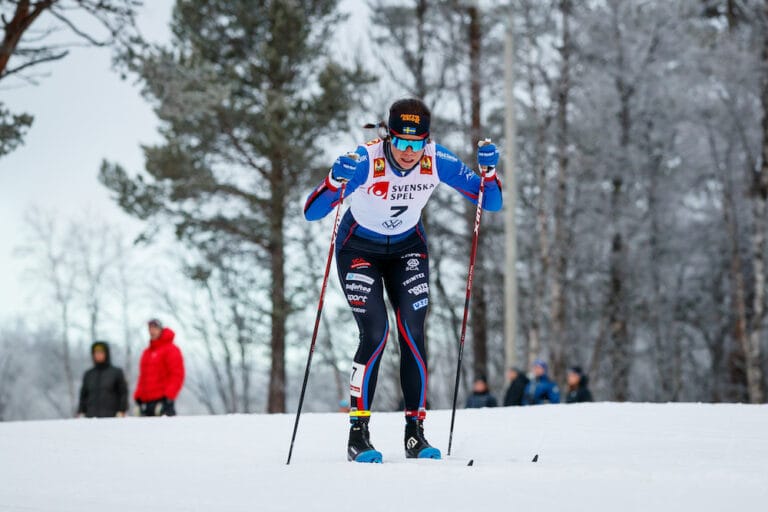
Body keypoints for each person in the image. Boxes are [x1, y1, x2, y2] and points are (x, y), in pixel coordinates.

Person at [304, 98, 503, 463]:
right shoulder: (366, 161)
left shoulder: (435, 159)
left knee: (412, 330)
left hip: (408, 247)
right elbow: (312, 211)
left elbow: (488, 203)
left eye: (417, 143)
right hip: (358, 248)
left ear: (426, 141)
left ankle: (416, 433)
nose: (409, 152)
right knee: (376, 331)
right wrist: (334, 181)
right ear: (388, 137)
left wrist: (490, 174)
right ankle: (358, 435)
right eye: (401, 142)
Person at [134, 319, 185, 416]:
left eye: (155, 328)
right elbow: (142, 377)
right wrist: (138, 397)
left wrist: (168, 397)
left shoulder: (171, 349)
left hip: (163, 403)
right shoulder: (147, 353)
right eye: (150, 328)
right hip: (146, 403)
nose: (152, 331)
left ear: (161, 329)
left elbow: (177, 375)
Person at [77, 341, 128, 418]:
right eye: (96, 353)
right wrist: (81, 411)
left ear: (106, 354)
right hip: (91, 417)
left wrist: (122, 410)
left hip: (112, 417)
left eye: (101, 352)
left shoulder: (116, 372)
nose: (98, 355)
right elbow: (83, 395)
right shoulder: (89, 374)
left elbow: (123, 393)